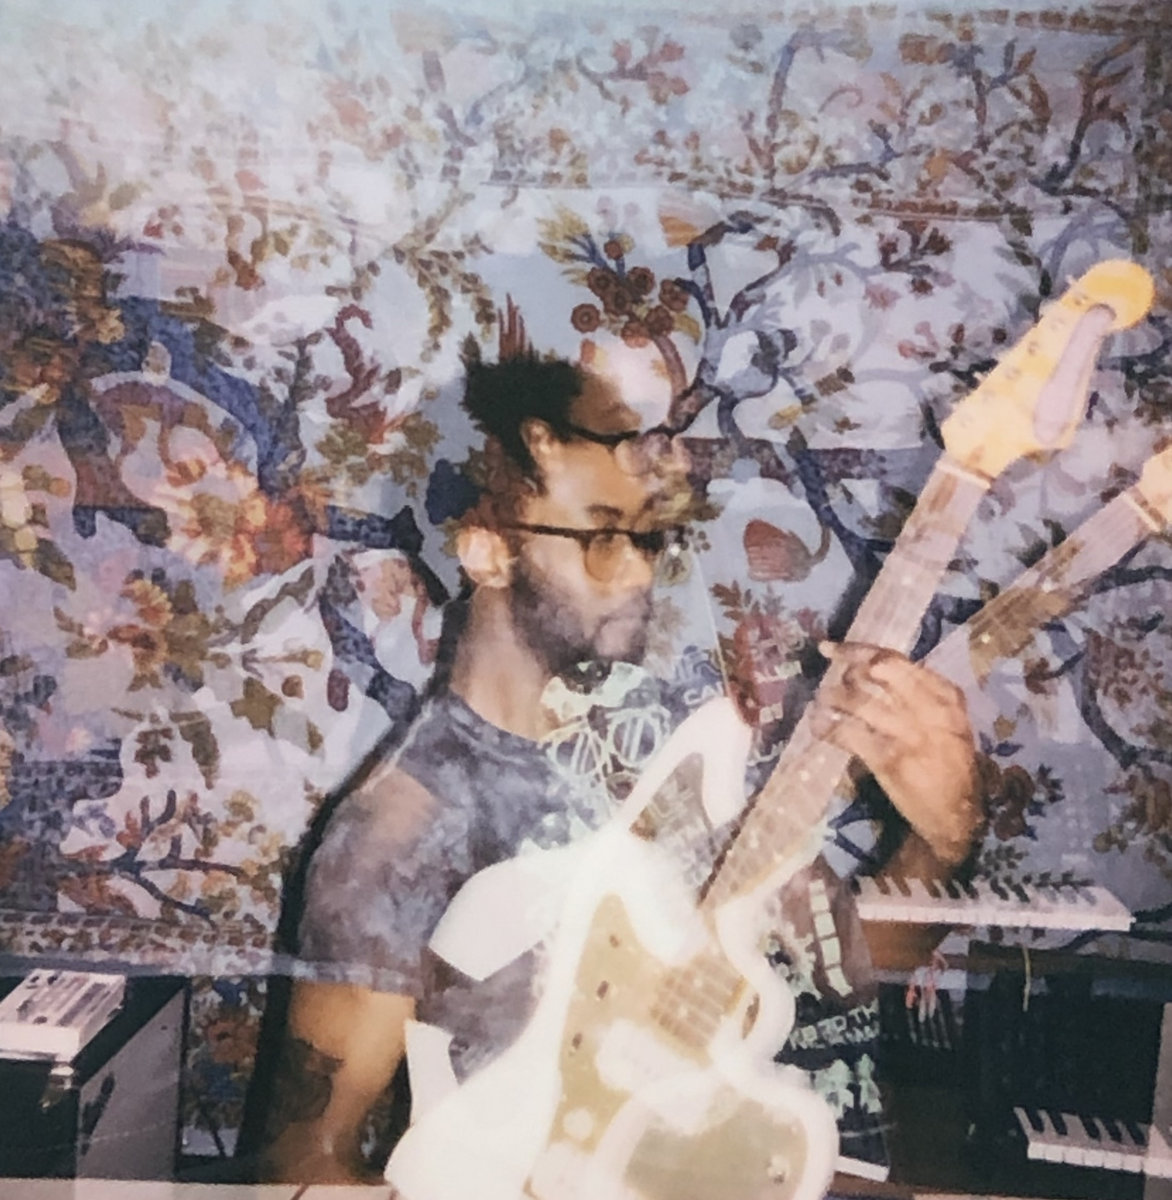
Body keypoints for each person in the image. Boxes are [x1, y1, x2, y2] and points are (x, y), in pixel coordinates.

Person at [257, 344, 982, 1188]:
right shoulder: (400, 832)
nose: (637, 571)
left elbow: (829, 969)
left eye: (646, 537)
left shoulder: (683, 748)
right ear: (488, 552)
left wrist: (942, 839)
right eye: (601, 536)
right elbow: (302, 1164)